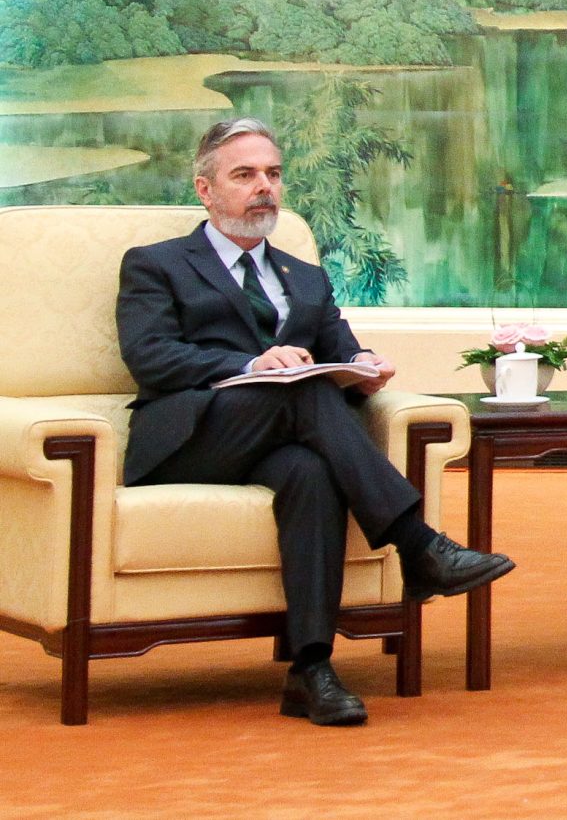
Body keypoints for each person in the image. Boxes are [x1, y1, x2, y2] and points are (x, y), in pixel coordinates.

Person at [117, 117, 515, 727]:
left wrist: (363, 365)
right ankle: (418, 546)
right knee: (297, 393)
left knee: (311, 472)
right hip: (192, 438)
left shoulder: (303, 278)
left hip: (282, 440)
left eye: (273, 174)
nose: (264, 188)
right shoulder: (157, 264)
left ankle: (312, 669)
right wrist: (252, 362)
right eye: (245, 175)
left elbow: (340, 347)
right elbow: (151, 356)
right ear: (205, 189)